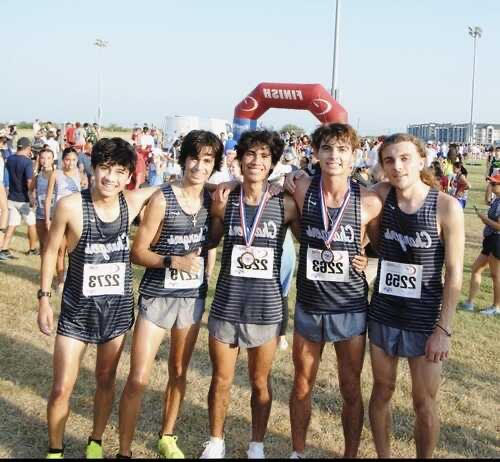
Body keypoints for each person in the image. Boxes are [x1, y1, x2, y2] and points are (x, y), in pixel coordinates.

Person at [37, 138, 158, 459]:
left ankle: (95, 440)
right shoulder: (70, 206)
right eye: (105, 168)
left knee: (106, 380)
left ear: (129, 175)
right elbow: (50, 252)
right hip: (76, 312)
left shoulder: (130, 203)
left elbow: (176, 186)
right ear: (92, 169)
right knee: (62, 386)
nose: (111, 178)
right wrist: (44, 299)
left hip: (116, 313)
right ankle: (55, 450)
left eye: (120, 171)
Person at [118, 130, 223, 459]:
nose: (199, 165)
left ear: (214, 165)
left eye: (207, 160)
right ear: (184, 159)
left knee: (179, 371)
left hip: (191, 298)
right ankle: (124, 449)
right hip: (157, 296)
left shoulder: (211, 198)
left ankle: (167, 435)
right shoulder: (163, 198)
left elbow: (213, 239)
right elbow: (138, 252)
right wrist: (171, 259)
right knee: (138, 377)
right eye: (194, 157)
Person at [200, 130, 299, 459]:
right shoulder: (226, 197)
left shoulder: (284, 203)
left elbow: (314, 238)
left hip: (267, 308)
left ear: (272, 164)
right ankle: (216, 441)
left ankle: (256, 444)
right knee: (222, 379)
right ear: (240, 159)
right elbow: (212, 241)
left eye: (264, 156)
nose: (256, 161)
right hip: (228, 304)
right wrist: (215, 211)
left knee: (260, 382)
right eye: (251, 155)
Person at [286, 123, 381, 459]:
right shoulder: (301, 188)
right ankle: (298, 452)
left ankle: (350, 454)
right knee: (301, 384)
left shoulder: (369, 201)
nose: (334, 156)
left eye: (342, 150)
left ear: (354, 157)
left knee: (350, 388)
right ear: (316, 153)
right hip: (309, 304)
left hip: (350, 307)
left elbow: (383, 243)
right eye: (327, 148)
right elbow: (296, 226)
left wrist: (366, 256)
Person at [367, 133, 464, 458]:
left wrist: (443, 330)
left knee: (423, 402)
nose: (397, 166)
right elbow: (340, 199)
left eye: (405, 158)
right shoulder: (381, 195)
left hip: (424, 321)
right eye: (390, 160)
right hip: (383, 313)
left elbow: (453, 275)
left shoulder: (446, 207)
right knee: (382, 391)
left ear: (421, 160)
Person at [461, 173, 500, 316]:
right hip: (490, 240)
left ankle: (496, 306)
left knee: (496, 275)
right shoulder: (496, 200)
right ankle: (469, 302)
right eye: (491, 183)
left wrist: (484, 219)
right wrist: (488, 187)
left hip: (497, 241)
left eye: (494, 184)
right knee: (476, 268)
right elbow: (487, 200)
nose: (492, 185)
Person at [45, 147, 82, 294]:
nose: (70, 163)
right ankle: (61, 281)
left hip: (76, 218)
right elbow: (48, 197)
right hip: (59, 218)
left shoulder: (80, 175)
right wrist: (48, 218)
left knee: (75, 251)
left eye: (73, 160)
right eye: (67, 159)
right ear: (62, 160)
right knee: (60, 251)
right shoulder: (56, 174)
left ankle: (73, 280)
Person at [0, 137, 39, 259]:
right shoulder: (27, 162)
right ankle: (32, 249)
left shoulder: (9, 159)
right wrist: (32, 195)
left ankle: (4, 248)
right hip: (23, 199)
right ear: (28, 148)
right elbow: (29, 182)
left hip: (11, 197)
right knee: (32, 224)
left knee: (12, 224)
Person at [30, 148, 56, 254]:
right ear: (39, 159)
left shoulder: (57, 175)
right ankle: (43, 270)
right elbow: (30, 190)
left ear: (53, 160)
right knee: (43, 245)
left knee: (54, 246)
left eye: (48, 158)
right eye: (42, 158)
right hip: (40, 214)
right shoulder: (37, 176)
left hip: (54, 215)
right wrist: (32, 199)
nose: (45, 161)